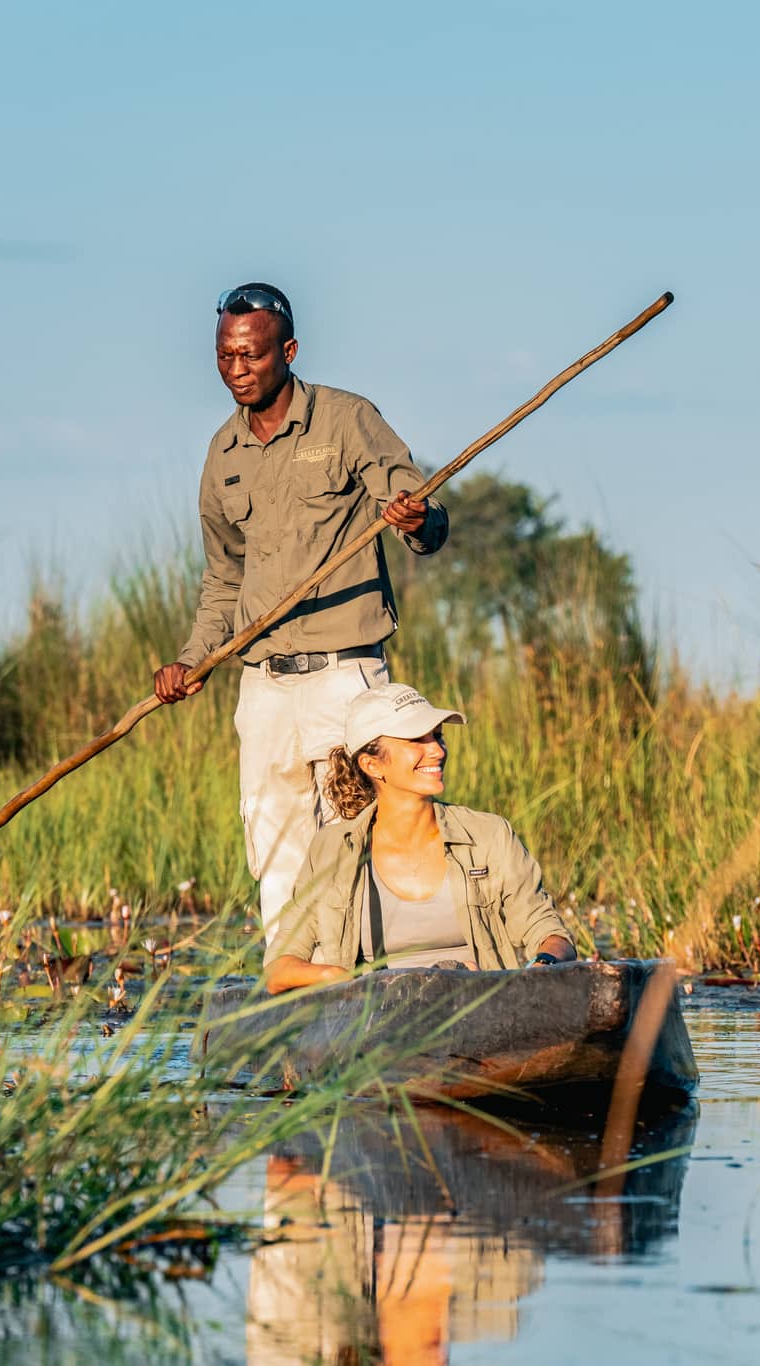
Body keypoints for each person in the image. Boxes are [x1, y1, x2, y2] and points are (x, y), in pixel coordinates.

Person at [153, 283, 449, 944]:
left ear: (287, 351)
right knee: (275, 846)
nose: (238, 371)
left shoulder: (346, 420)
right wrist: (192, 660)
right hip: (262, 685)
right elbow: (224, 576)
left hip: (346, 679)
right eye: (226, 356)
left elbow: (417, 507)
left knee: (364, 835)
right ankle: (293, 991)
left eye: (252, 356)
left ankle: (382, 978)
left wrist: (415, 516)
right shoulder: (222, 454)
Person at [265, 684, 576, 991]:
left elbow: (550, 934)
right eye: (417, 739)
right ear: (372, 764)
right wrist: (343, 981)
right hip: (379, 1021)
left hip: (478, 1011)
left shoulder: (489, 835)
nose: (438, 750)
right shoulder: (331, 850)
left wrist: (541, 966)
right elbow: (279, 969)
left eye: (437, 736)